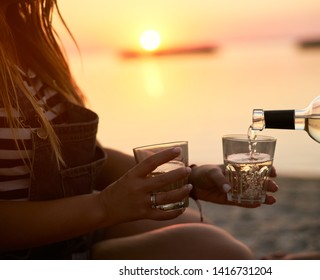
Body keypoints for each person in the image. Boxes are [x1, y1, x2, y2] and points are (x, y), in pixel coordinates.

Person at [0, 0, 279, 259]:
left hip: (73, 231)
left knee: (190, 222)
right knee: (216, 250)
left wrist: (188, 178)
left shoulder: (27, 46)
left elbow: (80, 159)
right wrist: (104, 207)